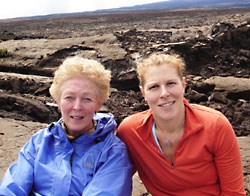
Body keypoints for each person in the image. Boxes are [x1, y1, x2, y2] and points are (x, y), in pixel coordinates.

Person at [0, 56, 133, 196]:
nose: (77, 107)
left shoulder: (112, 152)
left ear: (99, 103)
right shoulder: (39, 142)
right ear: (58, 101)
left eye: (87, 99)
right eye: (69, 97)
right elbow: (12, 189)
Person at [117, 53, 246, 195]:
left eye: (171, 83)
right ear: (143, 93)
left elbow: (233, 193)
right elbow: (113, 178)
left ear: (183, 85)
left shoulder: (215, 126)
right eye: (154, 87)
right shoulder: (130, 132)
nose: (164, 93)